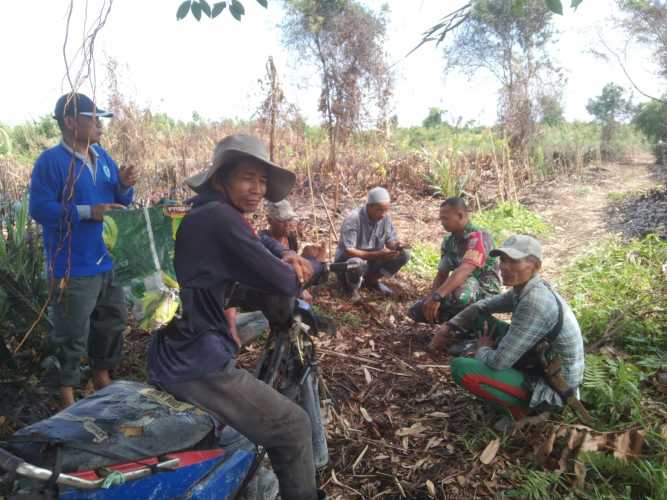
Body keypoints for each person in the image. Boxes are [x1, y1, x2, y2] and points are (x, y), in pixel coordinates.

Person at [147, 134, 325, 500]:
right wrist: (315, 265)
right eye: (248, 178)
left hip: (173, 349)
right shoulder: (220, 217)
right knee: (293, 427)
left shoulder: (207, 210)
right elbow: (283, 281)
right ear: (220, 179)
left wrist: (282, 250)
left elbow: (256, 237)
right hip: (196, 363)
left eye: (262, 181)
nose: (258, 189)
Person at [29, 93, 136, 408]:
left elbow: (118, 202)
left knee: (111, 321)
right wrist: (89, 211)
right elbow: (40, 209)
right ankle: (67, 397)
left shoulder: (102, 156)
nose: (100, 125)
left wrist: (125, 186)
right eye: (93, 118)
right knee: (71, 334)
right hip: (72, 265)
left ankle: (101, 376)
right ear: (71, 122)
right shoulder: (50, 162)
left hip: (105, 260)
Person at [429, 235, 585, 421]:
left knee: (461, 368)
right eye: (503, 260)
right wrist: (449, 326)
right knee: (478, 317)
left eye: (514, 261)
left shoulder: (535, 302)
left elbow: (498, 363)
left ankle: (522, 411)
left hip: (553, 386)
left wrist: (482, 349)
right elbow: (481, 307)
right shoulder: (524, 289)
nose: (504, 267)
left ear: (535, 266)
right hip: (539, 359)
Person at [409, 197, 501, 330]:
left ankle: (472, 327)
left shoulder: (478, 237)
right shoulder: (449, 241)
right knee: (417, 311)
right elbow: (442, 274)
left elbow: (465, 269)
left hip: (484, 291)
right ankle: (455, 326)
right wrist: (431, 299)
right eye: (441, 219)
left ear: (460, 215)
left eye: (445, 218)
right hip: (463, 286)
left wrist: (438, 296)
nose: (442, 223)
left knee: (461, 295)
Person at [334, 187, 410, 299]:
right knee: (355, 263)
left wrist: (397, 246)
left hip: (372, 261)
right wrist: (378, 254)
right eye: (380, 210)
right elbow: (349, 251)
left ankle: (371, 281)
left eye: (386, 210)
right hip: (348, 263)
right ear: (369, 206)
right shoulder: (353, 219)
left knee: (405, 254)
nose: (383, 214)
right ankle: (350, 288)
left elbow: (390, 242)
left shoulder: (385, 218)